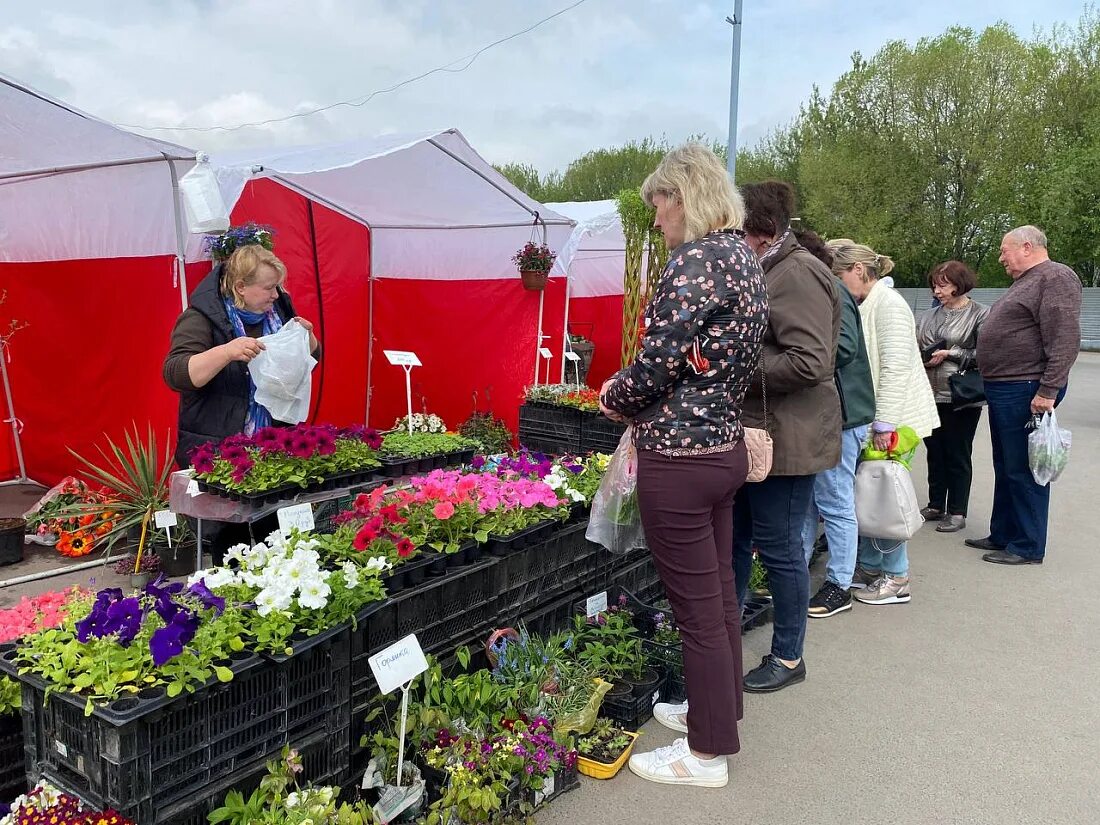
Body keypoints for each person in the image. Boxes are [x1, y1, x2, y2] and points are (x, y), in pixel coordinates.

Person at [598, 143, 768, 787]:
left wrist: (614, 394)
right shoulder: (743, 259)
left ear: (684, 196)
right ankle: (719, 711)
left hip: (678, 453)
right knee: (719, 595)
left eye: (660, 203)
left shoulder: (694, 262)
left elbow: (658, 361)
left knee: (697, 608)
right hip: (720, 447)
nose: (657, 217)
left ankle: (705, 753)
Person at [732, 182, 842, 689]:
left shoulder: (797, 273)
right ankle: (724, 638)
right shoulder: (773, 267)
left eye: (740, 233)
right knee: (739, 539)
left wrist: (733, 367)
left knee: (779, 547)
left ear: (764, 233)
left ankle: (789, 658)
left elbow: (811, 361)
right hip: (762, 432)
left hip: (789, 439)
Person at [163, 232, 319, 556]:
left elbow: (302, 367)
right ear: (240, 289)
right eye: (268, 287)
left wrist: (311, 344)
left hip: (272, 450)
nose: (276, 294)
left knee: (274, 542)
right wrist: (226, 352)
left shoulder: (277, 314)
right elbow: (177, 373)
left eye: (278, 286)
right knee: (229, 548)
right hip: (221, 455)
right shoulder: (200, 318)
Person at [827, 240, 939, 605]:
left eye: (839, 275)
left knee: (885, 494)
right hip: (882, 418)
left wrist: (883, 424)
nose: (837, 284)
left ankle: (897, 576)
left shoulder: (889, 305)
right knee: (868, 492)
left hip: (895, 421)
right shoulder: (870, 301)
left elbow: (894, 367)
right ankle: (873, 566)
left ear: (858, 269)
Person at [969, 225, 1081, 565]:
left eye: (1005, 250)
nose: (1001, 257)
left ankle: (1028, 545)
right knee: (1006, 465)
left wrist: (1048, 389)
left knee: (1023, 469)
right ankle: (1003, 533)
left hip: (1026, 387)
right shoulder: (1027, 281)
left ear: (1027, 247)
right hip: (1008, 387)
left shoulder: (1055, 277)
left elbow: (1064, 338)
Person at [794, 233, 876, 619]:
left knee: (834, 501)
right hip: (832, 415)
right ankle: (799, 573)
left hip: (841, 417)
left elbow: (844, 349)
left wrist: (801, 359)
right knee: (814, 500)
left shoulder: (832, 289)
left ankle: (839, 585)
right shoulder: (831, 287)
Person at [915, 261, 989, 533]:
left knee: (958, 452)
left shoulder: (981, 314)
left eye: (943, 284)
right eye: (934, 284)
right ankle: (936, 504)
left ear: (959, 284)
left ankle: (957, 510)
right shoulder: (926, 317)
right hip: (929, 393)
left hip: (961, 395)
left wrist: (952, 354)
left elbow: (986, 355)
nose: (937, 290)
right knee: (934, 451)